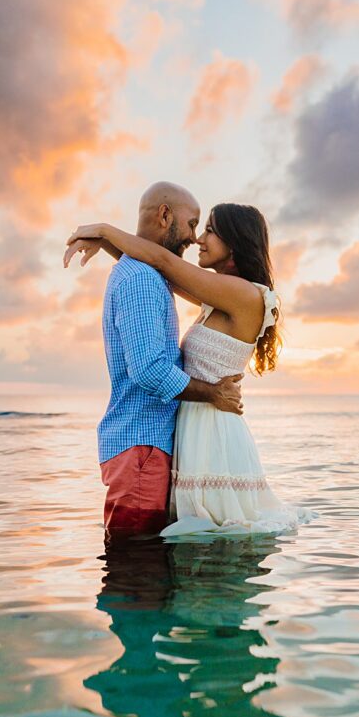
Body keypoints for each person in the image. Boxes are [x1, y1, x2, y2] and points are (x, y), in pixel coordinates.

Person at [65, 201, 309, 537]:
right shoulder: (219, 295)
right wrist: (109, 246)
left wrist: (104, 230)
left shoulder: (242, 293)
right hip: (195, 426)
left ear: (235, 243)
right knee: (195, 538)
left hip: (213, 430)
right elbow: (157, 268)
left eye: (210, 230)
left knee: (214, 537)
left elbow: (164, 261)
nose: (199, 239)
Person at [70, 182, 244, 542]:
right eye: (193, 224)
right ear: (165, 215)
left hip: (141, 447)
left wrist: (108, 241)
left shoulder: (146, 274)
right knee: (136, 568)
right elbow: (149, 370)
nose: (194, 238)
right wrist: (213, 394)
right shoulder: (143, 281)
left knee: (140, 564)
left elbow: (164, 264)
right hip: (141, 448)